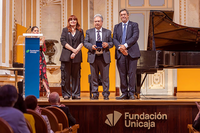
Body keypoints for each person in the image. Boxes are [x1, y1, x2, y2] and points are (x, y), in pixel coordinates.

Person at [84, 14, 113, 100]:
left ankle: (106, 94)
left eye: (98, 21)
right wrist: (91, 46)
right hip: (93, 57)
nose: (97, 23)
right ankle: (95, 94)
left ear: (102, 22)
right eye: (95, 21)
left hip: (104, 57)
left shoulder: (107, 32)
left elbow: (112, 43)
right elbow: (85, 42)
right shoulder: (89, 32)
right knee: (94, 77)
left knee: (105, 77)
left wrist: (107, 44)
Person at [113, 9, 141, 100]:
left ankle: (132, 93)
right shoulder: (116, 27)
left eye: (124, 14)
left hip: (132, 53)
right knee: (122, 74)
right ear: (120, 16)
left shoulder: (134, 25)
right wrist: (120, 48)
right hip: (120, 54)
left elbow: (135, 37)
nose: (123, 16)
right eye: (121, 15)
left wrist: (125, 45)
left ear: (128, 15)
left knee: (132, 73)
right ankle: (124, 93)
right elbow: (114, 39)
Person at [60, 15, 84, 100]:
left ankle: (76, 94)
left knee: (76, 76)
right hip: (66, 56)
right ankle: (66, 94)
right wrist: (73, 50)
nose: (73, 21)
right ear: (69, 22)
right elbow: (63, 41)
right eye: (71, 20)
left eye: (74, 20)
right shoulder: (65, 30)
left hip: (77, 57)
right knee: (66, 76)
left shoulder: (80, 31)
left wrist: (76, 51)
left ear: (77, 21)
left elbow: (82, 42)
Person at [31, 26, 50, 97]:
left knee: (43, 76)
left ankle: (48, 91)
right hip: (32, 59)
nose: (36, 32)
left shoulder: (41, 40)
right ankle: (36, 91)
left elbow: (44, 50)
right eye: (35, 31)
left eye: (37, 31)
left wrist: (42, 42)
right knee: (36, 76)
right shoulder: (30, 40)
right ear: (32, 32)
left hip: (41, 59)